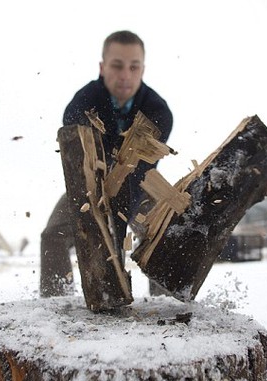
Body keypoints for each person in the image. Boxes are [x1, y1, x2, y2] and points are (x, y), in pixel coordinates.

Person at [40, 30, 173, 297]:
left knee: (165, 233)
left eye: (133, 67)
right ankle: (54, 303)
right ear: (102, 67)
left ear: (142, 70)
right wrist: (99, 210)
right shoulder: (81, 105)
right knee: (53, 235)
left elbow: (142, 170)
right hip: (90, 185)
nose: (125, 75)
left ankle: (168, 307)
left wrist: (117, 220)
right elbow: (79, 167)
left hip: (139, 184)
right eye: (117, 65)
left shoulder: (158, 112)